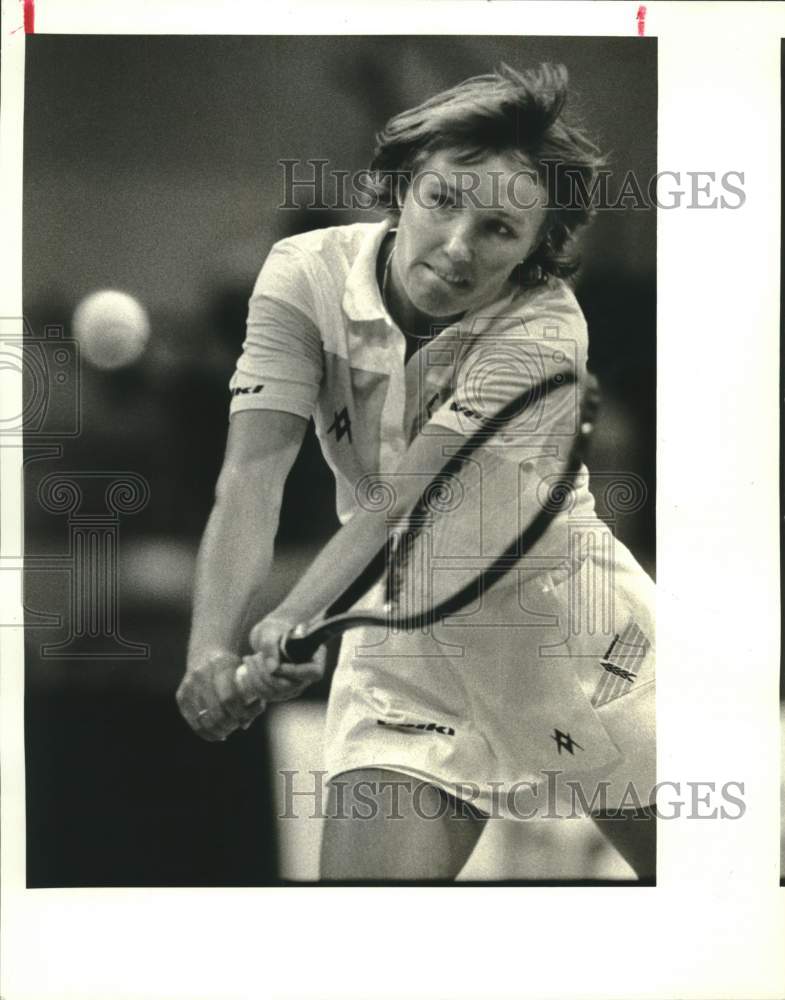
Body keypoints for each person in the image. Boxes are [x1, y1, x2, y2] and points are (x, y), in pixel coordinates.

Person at [176, 63, 657, 881]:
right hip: (407, 667)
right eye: (442, 202)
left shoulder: (544, 334)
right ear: (402, 186)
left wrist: (292, 615)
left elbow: (399, 504)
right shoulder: (302, 274)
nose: (458, 246)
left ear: (535, 251)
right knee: (369, 952)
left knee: (730, 920)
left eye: (500, 230)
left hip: (579, 646)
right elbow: (251, 477)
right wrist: (208, 654)